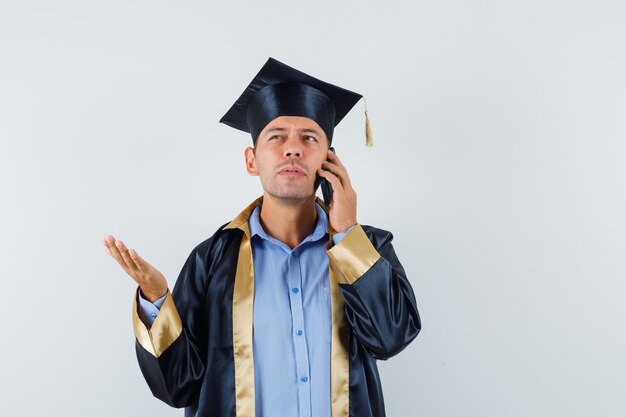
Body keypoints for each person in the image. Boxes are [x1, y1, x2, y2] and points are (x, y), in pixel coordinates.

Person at [104, 57, 420, 417]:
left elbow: (391, 338)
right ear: (252, 161)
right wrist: (157, 300)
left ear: (329, 160)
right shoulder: (212, 260)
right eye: (277, 136)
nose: (293, 149)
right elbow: (177, 387)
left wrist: (347, 232)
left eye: (309, 138)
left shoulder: (368, 248)